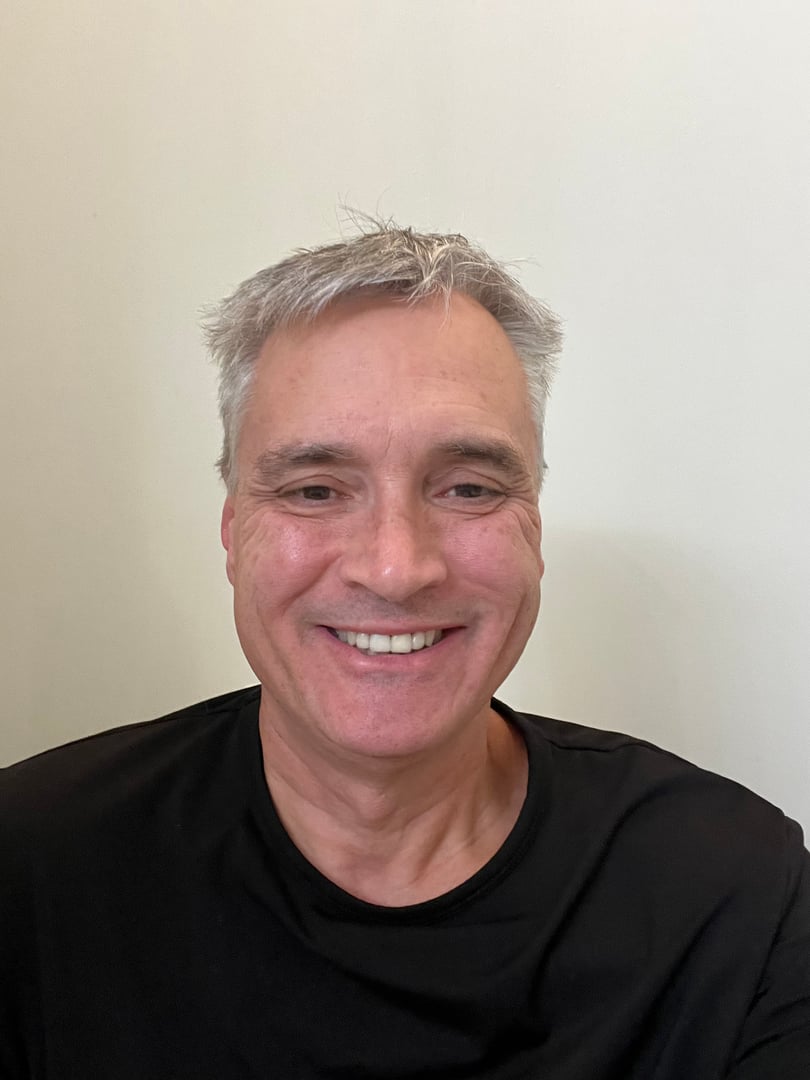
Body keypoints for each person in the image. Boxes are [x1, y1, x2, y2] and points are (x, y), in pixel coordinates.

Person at [1, 224, 808, 1079]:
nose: (395, 567)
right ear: (235, 535)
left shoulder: (732, 891)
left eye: (467, 488)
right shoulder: (34, 869)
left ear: (533, 528)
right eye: (315, 490)